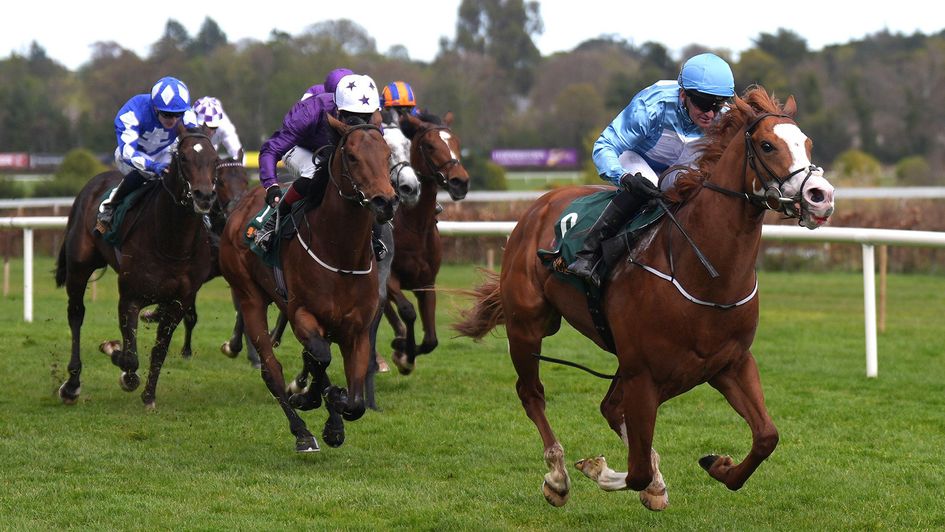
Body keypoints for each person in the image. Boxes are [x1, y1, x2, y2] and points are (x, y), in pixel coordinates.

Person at [566, 53, 735, 287]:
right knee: (647, 187)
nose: (711, 113)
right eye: (704, 104)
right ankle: (588, 255)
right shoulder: (652, 104)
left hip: (680, 168)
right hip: (636, 160)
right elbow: (605, 146)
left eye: (718, 104)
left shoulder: (722, 117)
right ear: (683, 94)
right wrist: (623, 177)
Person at [254, 73, 381, 250]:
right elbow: (271, 149)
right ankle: (274, 220)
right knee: (315, 172)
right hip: (299, 149)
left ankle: (375, 233)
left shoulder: (373, 118)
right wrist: (271, 185)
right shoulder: (312, 110)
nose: (358, 122)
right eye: (350, 116)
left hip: (334, 152)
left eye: (364, 117)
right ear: (338, 108)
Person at [95, 76, 198, 235]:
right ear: (155, 108)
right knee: (144, 173)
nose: (173, 120)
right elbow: (127, 153)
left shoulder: (187, 114)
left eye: (177, 115)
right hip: (131, 157)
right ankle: (111, 206)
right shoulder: (132, 112)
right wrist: (152, 166)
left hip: (164, 152)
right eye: (166, 114)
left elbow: (195, 142)